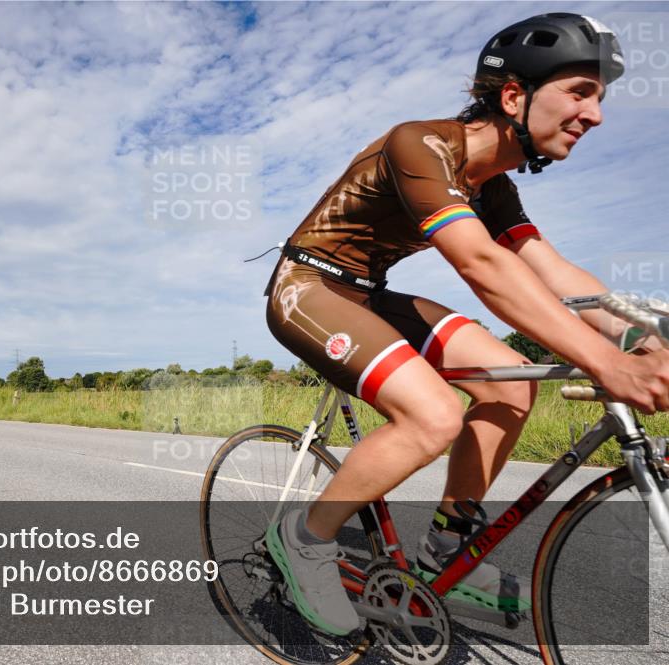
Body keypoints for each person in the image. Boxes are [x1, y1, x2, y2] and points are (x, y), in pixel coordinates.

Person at [263, 13, 669, 636]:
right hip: (309, 286)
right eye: (581, 93)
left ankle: (448, 548)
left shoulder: (493, 186)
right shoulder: (418, 144)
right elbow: (482, 266)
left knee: (510, 381)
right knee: (434, 416)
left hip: (370, 292)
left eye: (600, 99)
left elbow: (556, 274)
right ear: (513, 96)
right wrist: (606, 362)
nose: (596, 116)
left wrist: (643, 334)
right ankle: (305, 539)